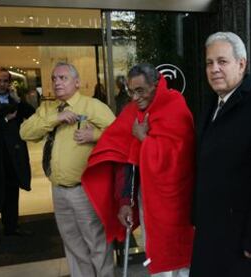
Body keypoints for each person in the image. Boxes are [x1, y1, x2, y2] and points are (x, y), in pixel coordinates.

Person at [189, 32, 251, 277]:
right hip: (209, 239)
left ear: (241, 64)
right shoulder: (211, 105)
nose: (214, 69)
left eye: (222, 62)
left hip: (242, 246)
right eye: (209, 63)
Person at [81, 63, 195, 276]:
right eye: (131, 92)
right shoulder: (131, 113)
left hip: (178, 202)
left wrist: (143, 138)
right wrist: (125, 201)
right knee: (157, 255)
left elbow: (180, 158)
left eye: (140, 90)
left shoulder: (175, 105)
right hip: (148, 202)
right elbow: (125, 160)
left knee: (182, 262)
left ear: (155, 85)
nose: (135, 98)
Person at [20, 62, 116, 277]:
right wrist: (56, 119)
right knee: (72, 244)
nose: (57, 82)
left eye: (63, 78)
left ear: (77, 82)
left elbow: (119, 132)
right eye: (54, 78)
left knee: (96, 243)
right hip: (59, 190)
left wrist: (95, 136)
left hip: (85, 189)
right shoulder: (48, 109)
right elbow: (25, 132)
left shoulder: (92, 106)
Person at [0, 67, 35, 247]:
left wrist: (19, 101)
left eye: (5, 80)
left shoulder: (14, 99)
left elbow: (31, 114)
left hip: (13, 154)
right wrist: (5, 120)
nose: (2, 83)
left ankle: (11, 226)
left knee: (12, 191)